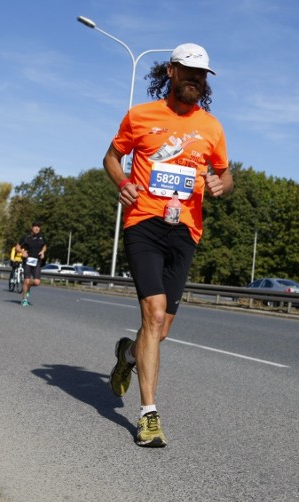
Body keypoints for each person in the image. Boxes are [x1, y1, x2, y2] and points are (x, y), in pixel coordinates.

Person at [102, 43, 233, 447]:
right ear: (172, 71)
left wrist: (219, 185)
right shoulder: (140, 116)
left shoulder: (211, 126)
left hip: (186, 229)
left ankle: (127, 355)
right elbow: (111, 157)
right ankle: (149, 416)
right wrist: (123, 184)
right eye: (190, 72)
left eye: (202, 75)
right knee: (154, 314)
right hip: (144, 223)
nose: (196, 79)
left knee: (160, 330)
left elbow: (226, 177)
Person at [15, 221, 47, 307]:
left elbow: (44, 246)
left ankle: (28, 287)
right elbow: (17, 247)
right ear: (32, 227)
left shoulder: (42, 237)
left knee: (36, 282)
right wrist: (22, 252)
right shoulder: (26, 237)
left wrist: (43, 252)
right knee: (27, 280)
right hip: (27, 261)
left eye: (38, 227)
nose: (37, 228)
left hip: (37, 262)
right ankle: (24, 299)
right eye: (35, 226)